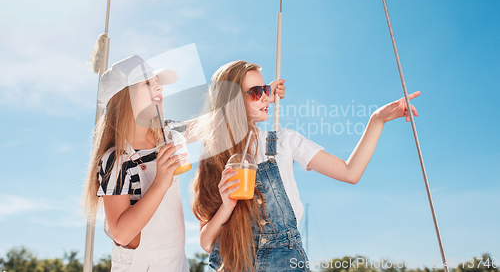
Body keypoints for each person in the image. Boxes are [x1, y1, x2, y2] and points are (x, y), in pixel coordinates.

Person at [191, 60, 420, 272]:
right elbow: (207, 242)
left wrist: (377, 119)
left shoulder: (284, 141)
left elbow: (350, 172)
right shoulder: (213, 159)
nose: (265, 97)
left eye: (266, 90)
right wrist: (227, 206)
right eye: (256, 92)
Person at [82, 55, 190, 272]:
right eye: (148, 83)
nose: (159, 86)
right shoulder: (115, 160)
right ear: (124, 98)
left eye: (157, 81)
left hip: (177, 263)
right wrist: (160, 183)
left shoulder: (167, 135)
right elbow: (121, 234)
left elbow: (215, 125)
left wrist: (259, 96)